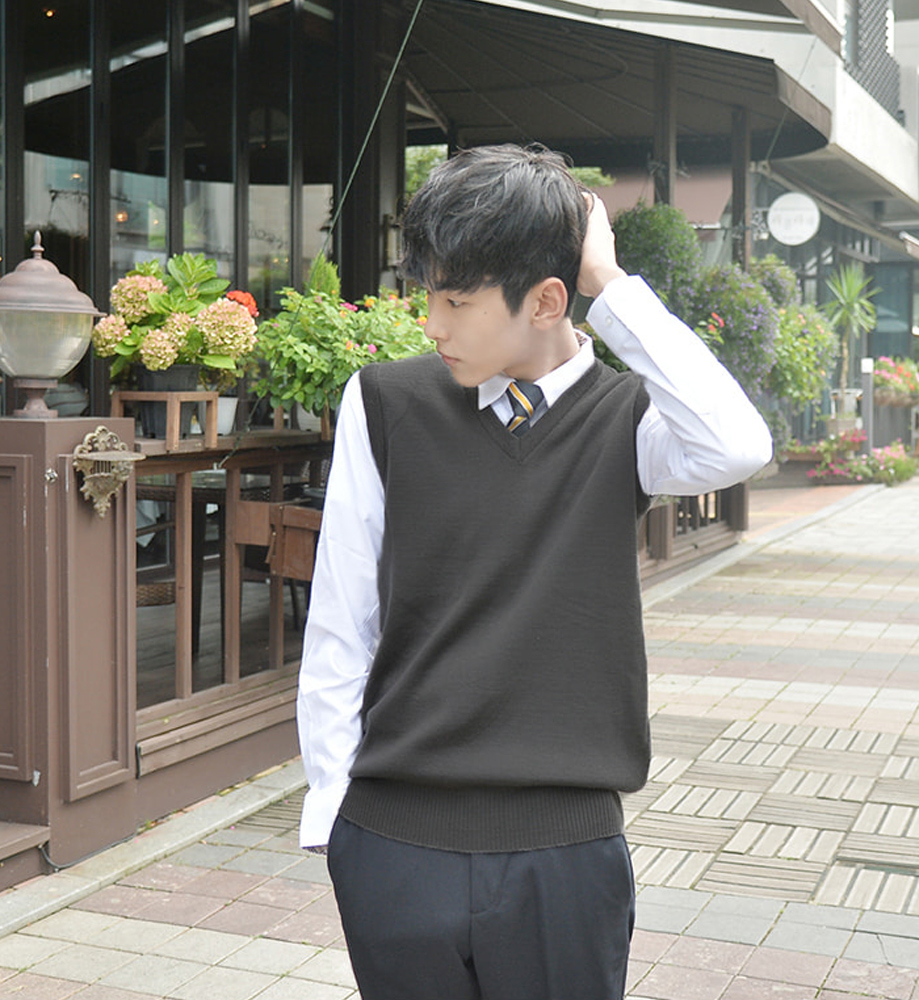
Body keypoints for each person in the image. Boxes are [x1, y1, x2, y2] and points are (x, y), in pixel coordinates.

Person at [297, 143, 772, 1000]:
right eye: (427, 295)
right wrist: (336, 820)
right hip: (394, 843)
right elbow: (342, 617)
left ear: (549, 299)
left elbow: (737, 445)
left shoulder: (628, 420)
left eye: (456, 301)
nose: (432, 324)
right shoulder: (385, 401)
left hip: (567, 852)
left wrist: (609, 284)